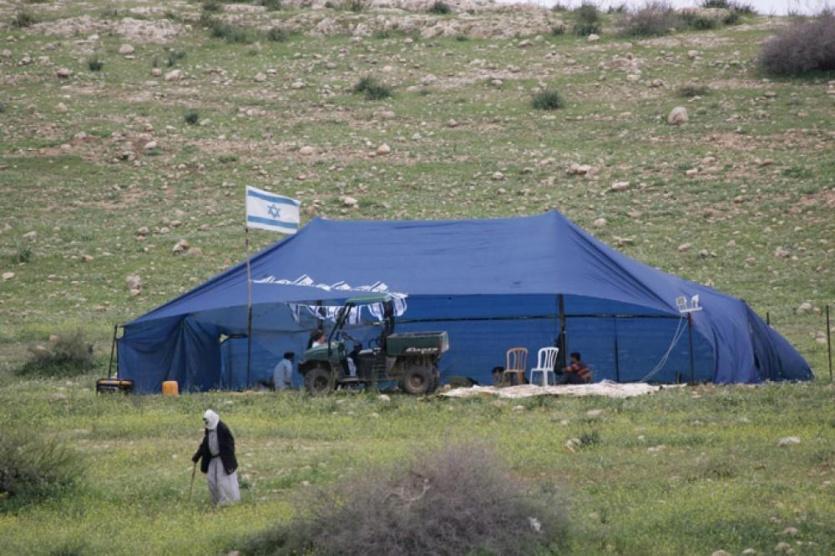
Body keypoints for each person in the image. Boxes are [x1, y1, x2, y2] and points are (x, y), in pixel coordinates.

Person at [192, 409, 240, 506]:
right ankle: (216, 502)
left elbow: (230, 444)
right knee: (212, 481)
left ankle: (227, 503)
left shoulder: (223, 428)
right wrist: (197, 456)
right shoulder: (208, 429)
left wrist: (228, 458)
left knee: (223, 481)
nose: (206, 423)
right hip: (212, 459)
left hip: (222, 459)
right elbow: (205, 444)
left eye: (207, 421)